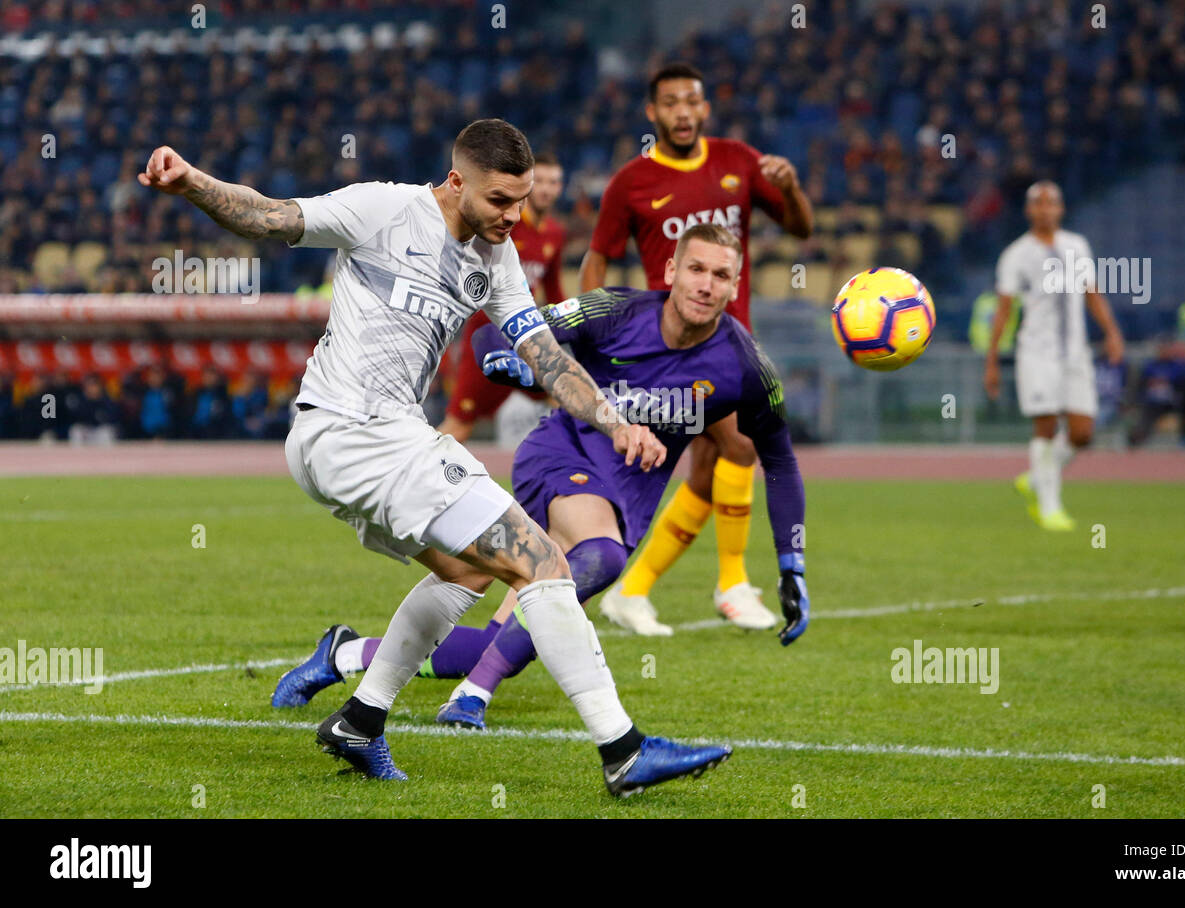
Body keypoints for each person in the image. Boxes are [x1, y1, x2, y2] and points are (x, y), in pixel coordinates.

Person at [138, 118, 731, 797]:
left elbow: (543, 355)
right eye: (501, 201)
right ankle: (624, 751)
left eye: (523, 200)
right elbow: (270, 217)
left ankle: (361, 719)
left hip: (362, 442)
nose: (516, 216)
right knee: (540, 560)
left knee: (464, 572)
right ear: (456, 182)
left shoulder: (495, 257)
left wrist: (609, 416)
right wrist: (190, 182)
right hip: (354, 431)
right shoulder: (385, 209)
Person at [273, 224, 811, 731]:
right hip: (559, 456)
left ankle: (341, 654)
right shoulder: (614, 310)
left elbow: (780, 461)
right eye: (697, 269)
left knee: (496, 627)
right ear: (669, 270)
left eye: (721, 276)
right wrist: (509, 363)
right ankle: (473, 698)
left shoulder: (744, 365)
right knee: (601, 556)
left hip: (627, 499)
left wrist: (792, 566)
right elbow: (491, 333)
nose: (706, 285)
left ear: (736, 286)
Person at [580, 62, 813, 634]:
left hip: (732, 344)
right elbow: (598, 256)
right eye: (671, 103)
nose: (682, 112)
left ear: (705, 108)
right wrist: (591, 327)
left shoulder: (737, 161)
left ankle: (631, 591)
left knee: (711, 468)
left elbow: (800, 230)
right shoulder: (631, 182)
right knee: (740, 447)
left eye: (692, 100)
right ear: (652, 113)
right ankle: (731, 583)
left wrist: (789, 188)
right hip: (666, 348)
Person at [984, 181, 1124, 530]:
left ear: (1061, 209)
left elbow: (1092, 293)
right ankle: (1050, 508)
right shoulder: (1016, 254)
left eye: (1052, 203)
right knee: (1045, 425)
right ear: (1029, 210)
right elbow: (1003, 311)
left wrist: (1111, 331)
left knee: (1082, 433)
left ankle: (1034, 479)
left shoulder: (1077, 246)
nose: (1046, 209)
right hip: (1037, 352)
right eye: (1039, 203)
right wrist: (991, 361)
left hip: (1075, 352)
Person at [438, 151, 566, 442]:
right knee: (458, 427)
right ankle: (409, 477)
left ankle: (566, 476)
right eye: (541, 181)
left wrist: (573, 329)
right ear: (528, 184)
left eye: (554, 182)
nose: (546, 188)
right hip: (486, 337)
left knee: (567, 398)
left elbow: (555, 290)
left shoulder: (555, 235)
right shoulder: (503, 224)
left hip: (525, 338)